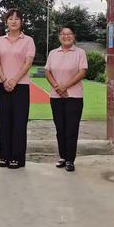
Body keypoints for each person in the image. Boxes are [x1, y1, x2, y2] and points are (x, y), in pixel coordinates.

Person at [0, 8, 35, 168]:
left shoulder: (28, 40)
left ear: (22, 22)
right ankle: (4, 156)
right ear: (6, 22)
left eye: (17, 19)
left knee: (19, 122)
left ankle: (17, 157)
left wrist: (14, 80)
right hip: (2, 84)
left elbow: (28, 63)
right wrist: (5, 80)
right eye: (10, 18)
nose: (13, 21)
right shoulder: (0, 40)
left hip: (21, 86)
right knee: (4, 121)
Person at [45, 26, 88, 172]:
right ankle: (62, 156)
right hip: (56, 96)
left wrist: (65, 87)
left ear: (74, 36)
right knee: (60, 128)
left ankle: (70, 159)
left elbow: (82, 72)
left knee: (71, 129)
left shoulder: (80, 53)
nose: (66, 36)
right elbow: (47, 72)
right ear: (59, 37)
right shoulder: (53, 53)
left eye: (69, 34)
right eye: (63, 34)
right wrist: (57, 87)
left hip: (74, 97)